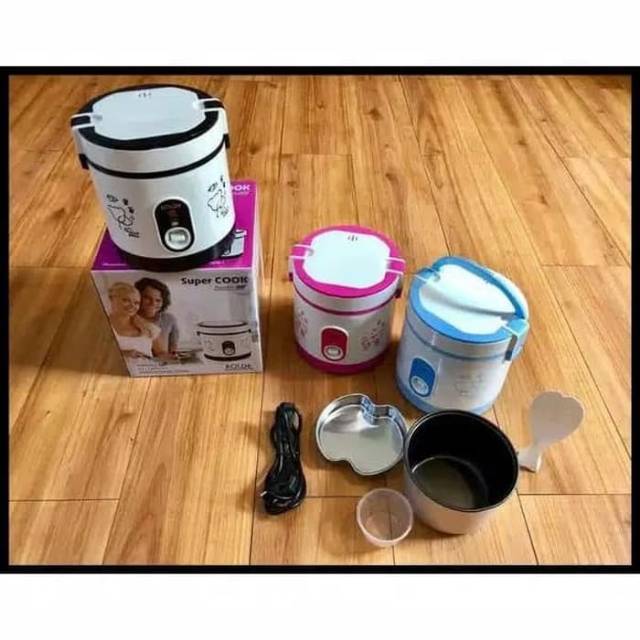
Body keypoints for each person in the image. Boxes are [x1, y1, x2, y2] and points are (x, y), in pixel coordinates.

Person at [107, 282, 160, 359]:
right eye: (126, 300)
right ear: (111, 299)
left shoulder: (149, 328)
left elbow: (162, 355)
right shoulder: (98, 325)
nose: (132, 306)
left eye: (136, 303)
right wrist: (123, 353)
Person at [134, 277, 180, 359]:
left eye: (158, 300)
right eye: (147, 298)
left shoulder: (169, 319)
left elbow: (173, 349)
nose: (153, 303)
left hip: (163, 363)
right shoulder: (127, 318)